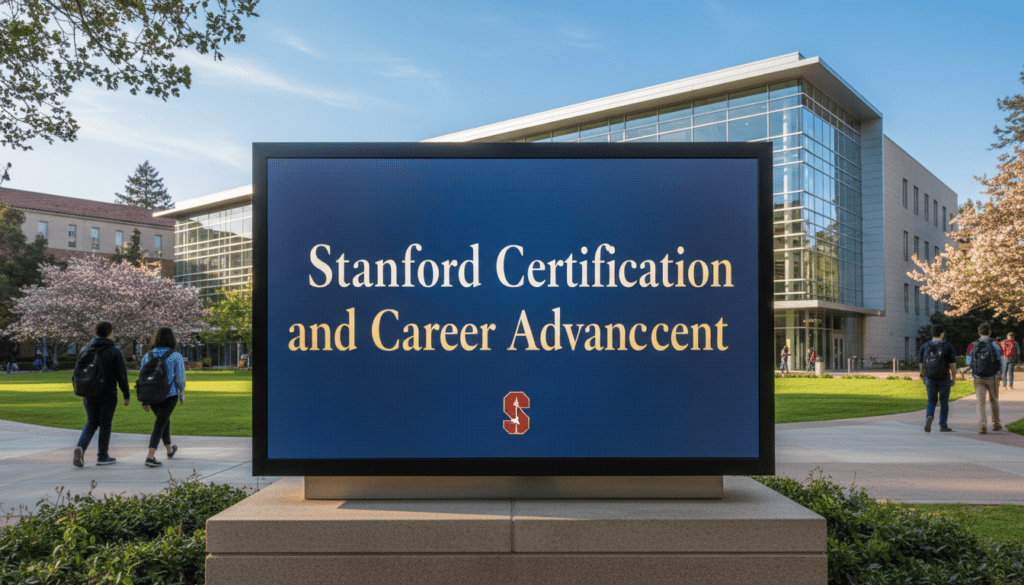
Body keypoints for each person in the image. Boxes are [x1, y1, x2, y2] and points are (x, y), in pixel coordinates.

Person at [73, 322, 130, 467]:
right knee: (105, 423)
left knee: (92, 421)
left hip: (88, 391)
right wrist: (126, 394)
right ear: (110, 333)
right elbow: (122, 375)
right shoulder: (114, 351)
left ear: (95, 332)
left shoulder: (85, 349)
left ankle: (81, 447)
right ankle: (102, 456)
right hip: (108, 392)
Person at [139, 327, 186, 467]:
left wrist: (144, 400)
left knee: (163, 420)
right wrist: (182, 393)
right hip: (169, 395)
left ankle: (170, 449)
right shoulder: (176, 356)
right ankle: (150, 456)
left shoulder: (147, 355)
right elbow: (180, 379)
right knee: (160, 423)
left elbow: (142, 378)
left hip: (152, 394)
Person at [966, 322, 1005, 434]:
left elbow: (968, 361)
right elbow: (1002, 360)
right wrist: (1001, 374)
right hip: (993, 377)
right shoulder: (996, 344)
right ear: (990, 332)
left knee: (980, 401)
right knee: (994, 400)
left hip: (978, 377)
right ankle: (996, 423)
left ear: (979, 332)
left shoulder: (972, 345)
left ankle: (982, 425)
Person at [918, 324, 957, 432]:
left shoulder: (925, 346)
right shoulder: (947, 346)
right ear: (942, 334)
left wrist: (922, 375)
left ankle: (929, 416)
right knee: (944, 401)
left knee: (931, 399)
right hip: (944, 377)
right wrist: (953, 377)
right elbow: (953, 363)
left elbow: (921, 363)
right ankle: (943, 425)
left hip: (930, 377)